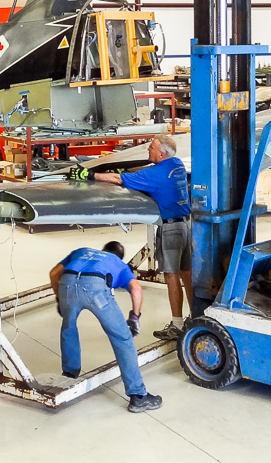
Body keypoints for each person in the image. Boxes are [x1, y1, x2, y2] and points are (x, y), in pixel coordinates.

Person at [76, 135, 192, 341]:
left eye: (152, 148)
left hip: (171, 229)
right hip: (187, 226)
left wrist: (90, 174)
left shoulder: (156, 175)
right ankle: (196, 317)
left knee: (171, 275)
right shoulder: (177, 165)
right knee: (187, 273)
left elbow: (119, 180)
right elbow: (146, 172)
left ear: (161, 154)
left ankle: (176, 324)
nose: (148, 149)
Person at [49, 241, 163, 413]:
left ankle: (69, 375)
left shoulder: (81, 250)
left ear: (102, 250)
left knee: (68, 327)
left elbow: (54, 273)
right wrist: (134, 317)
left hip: (67, 283)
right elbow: (136, 288)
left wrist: (61, 299)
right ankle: (138, 396)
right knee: (122, 337)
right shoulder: (119, 264)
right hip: (95, 289)